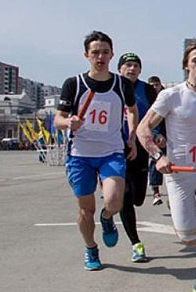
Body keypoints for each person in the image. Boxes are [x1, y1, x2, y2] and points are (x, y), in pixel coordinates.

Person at [136, 41, 196, 292]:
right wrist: (157, 156)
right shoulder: (171, 95)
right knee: (190, 240)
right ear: (186, 65)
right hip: (177, 172)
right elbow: (143, 129)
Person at [54, 31, 138, 271]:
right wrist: (68, 122)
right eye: (95, 52)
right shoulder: (74, 84)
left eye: (104, 52)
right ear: (86, 55)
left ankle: (108, 217)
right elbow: (58, 118)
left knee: (114, 201)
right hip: (80, 154)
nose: (100, 57)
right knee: (85, 209)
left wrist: (131, 136)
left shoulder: (121, 84)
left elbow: (131, 110)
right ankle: (91, 248)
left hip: (111, 150)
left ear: (112, 54)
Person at [117, 53, 157, 262]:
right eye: (127, 65)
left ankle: (112, 208)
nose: (131, 69)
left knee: (138, 198)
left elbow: (157, 115)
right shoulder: (112, 86)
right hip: (115, 148)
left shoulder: (147, 90)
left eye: (135, 66)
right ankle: (136, 243)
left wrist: (158, 136)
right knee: (125, 195)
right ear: (120, 69)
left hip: (141, 147)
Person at [146, 76, 166, 205]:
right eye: (151, 85)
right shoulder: (148, 100)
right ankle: (156, 192)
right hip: (156, 136)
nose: (154, 87)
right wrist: (155, 134)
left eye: (156, 85)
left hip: (170, 136)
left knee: (174, 165)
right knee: (156, 161)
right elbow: (146, 122)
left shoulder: (167, 97)